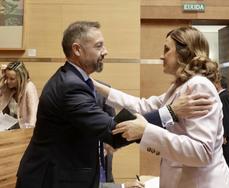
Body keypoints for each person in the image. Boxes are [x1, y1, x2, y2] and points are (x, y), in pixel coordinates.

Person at [15, 21, 209, 188]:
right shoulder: (70, 86)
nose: (105, 52)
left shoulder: (76, 80)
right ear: (77, 49)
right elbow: (113, 133)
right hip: (50, 179)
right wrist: (171, 112)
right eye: (99, 46)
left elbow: (144, 106)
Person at [94, 26, 229, 188]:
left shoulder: (199, 86)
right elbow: (142, 106)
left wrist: (146, 131)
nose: (162, 56)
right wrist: (96, 86)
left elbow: (202, 152)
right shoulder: (180, 87)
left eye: (167, 49)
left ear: (184, 53)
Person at [0, 61, 39, 128]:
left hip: (24, 129)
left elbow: (34, 116)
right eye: (7, 77)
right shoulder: (9, 87)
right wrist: (2, 78)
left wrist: (28, 134)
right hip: (9, 125)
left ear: (21, 78)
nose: (8, 81)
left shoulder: (29, 88)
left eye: (12, 79)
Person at [215, 75, 229, 184]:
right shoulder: (223, 96)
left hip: (227, 136)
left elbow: (226, 117)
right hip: (226, 135)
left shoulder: (224, 96)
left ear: (218, 84)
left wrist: (224, 135)